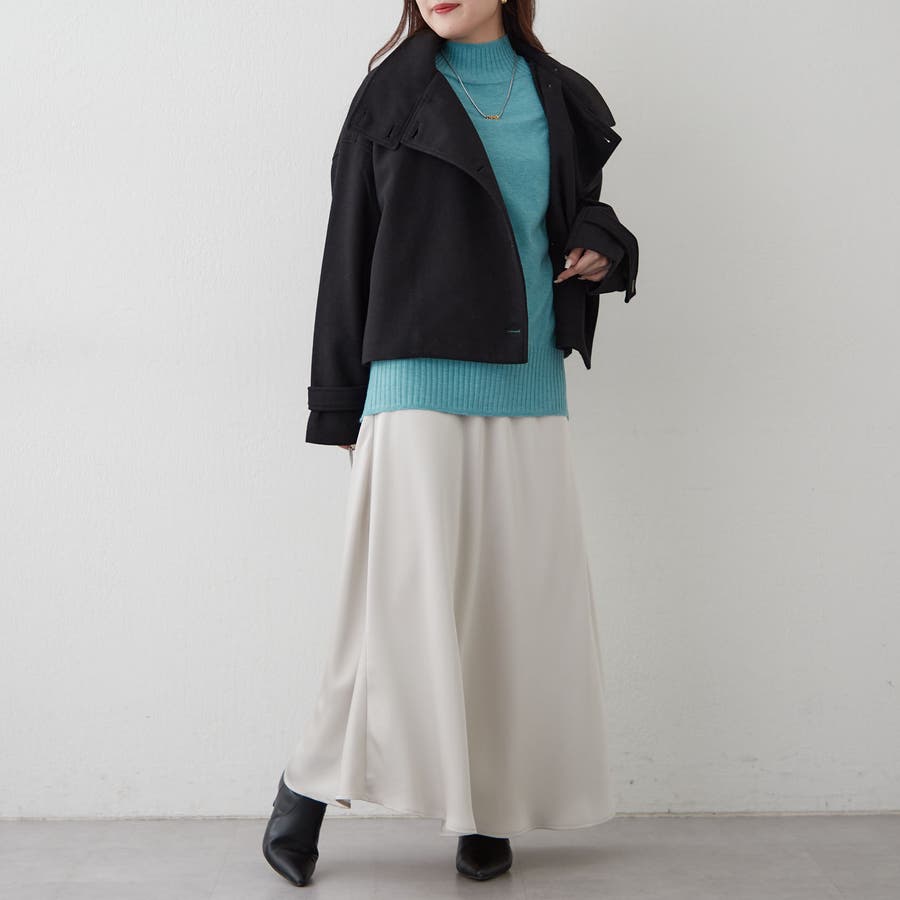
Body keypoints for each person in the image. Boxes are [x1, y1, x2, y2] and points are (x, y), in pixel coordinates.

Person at [263, 0, 639, 885]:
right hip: (414, 382)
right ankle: (304, 790)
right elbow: (346, 253)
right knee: (390, 612)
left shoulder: (560, 96)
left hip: (528, 382)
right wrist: (340, 406)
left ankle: (487, 810)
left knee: (512, 611)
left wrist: (604, 244)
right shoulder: (390, 98)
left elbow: (576, 213)